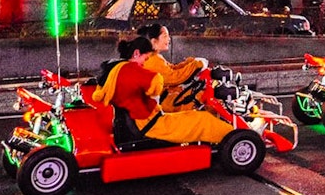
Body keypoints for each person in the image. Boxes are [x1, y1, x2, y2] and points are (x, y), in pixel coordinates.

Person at [93, 36, 232, 145]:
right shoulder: (131, 70)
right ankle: (235, 136)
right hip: (149, 124)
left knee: (191, 114)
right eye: (145, 59)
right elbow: (157, 81)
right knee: (202, 119)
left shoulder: (116, 69)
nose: (144, 63)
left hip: (136, 122)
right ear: (136, 53)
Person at [136, 23, 207, 112]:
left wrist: (190, 62)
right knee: (200, 99)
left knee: (197, 95)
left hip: (164, 97)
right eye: (165, 36)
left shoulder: (153, 57)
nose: (169, 39)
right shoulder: (151, 60)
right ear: (154, 41)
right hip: (161, 103)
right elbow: (174, 77)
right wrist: (196, 65)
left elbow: (172, 68)